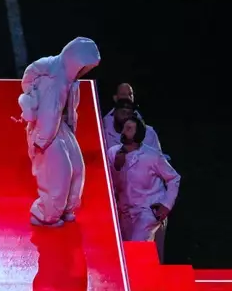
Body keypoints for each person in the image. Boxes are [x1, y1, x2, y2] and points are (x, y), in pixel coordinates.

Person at [18, 37, 100, 227]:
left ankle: (66, 208)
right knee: (58, 174)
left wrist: (70, 130)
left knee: (77, 168)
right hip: (46, 132)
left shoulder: (69, 80)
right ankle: (46, 214)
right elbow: (48, 113)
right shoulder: (53, 80)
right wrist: (41, 140)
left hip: (59, 128)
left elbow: (66, 111)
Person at [108, 114, 180, 260]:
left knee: (136, 247)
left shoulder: (152, 155)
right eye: (124, 128)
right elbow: (111, 182)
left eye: (129, 129)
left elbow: (174, 178)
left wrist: (166, 205)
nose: (123, 132)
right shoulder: (113, 152)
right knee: (125, 251)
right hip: (125, 211)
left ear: (138, 134)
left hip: (148, 209)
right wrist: (117, 166)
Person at [100, 83, 162, 152]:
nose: (128, 98)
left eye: (130, 94)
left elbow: (157, 160)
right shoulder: (101, 128)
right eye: (123, 94)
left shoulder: (149, 133)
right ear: (115, 98)